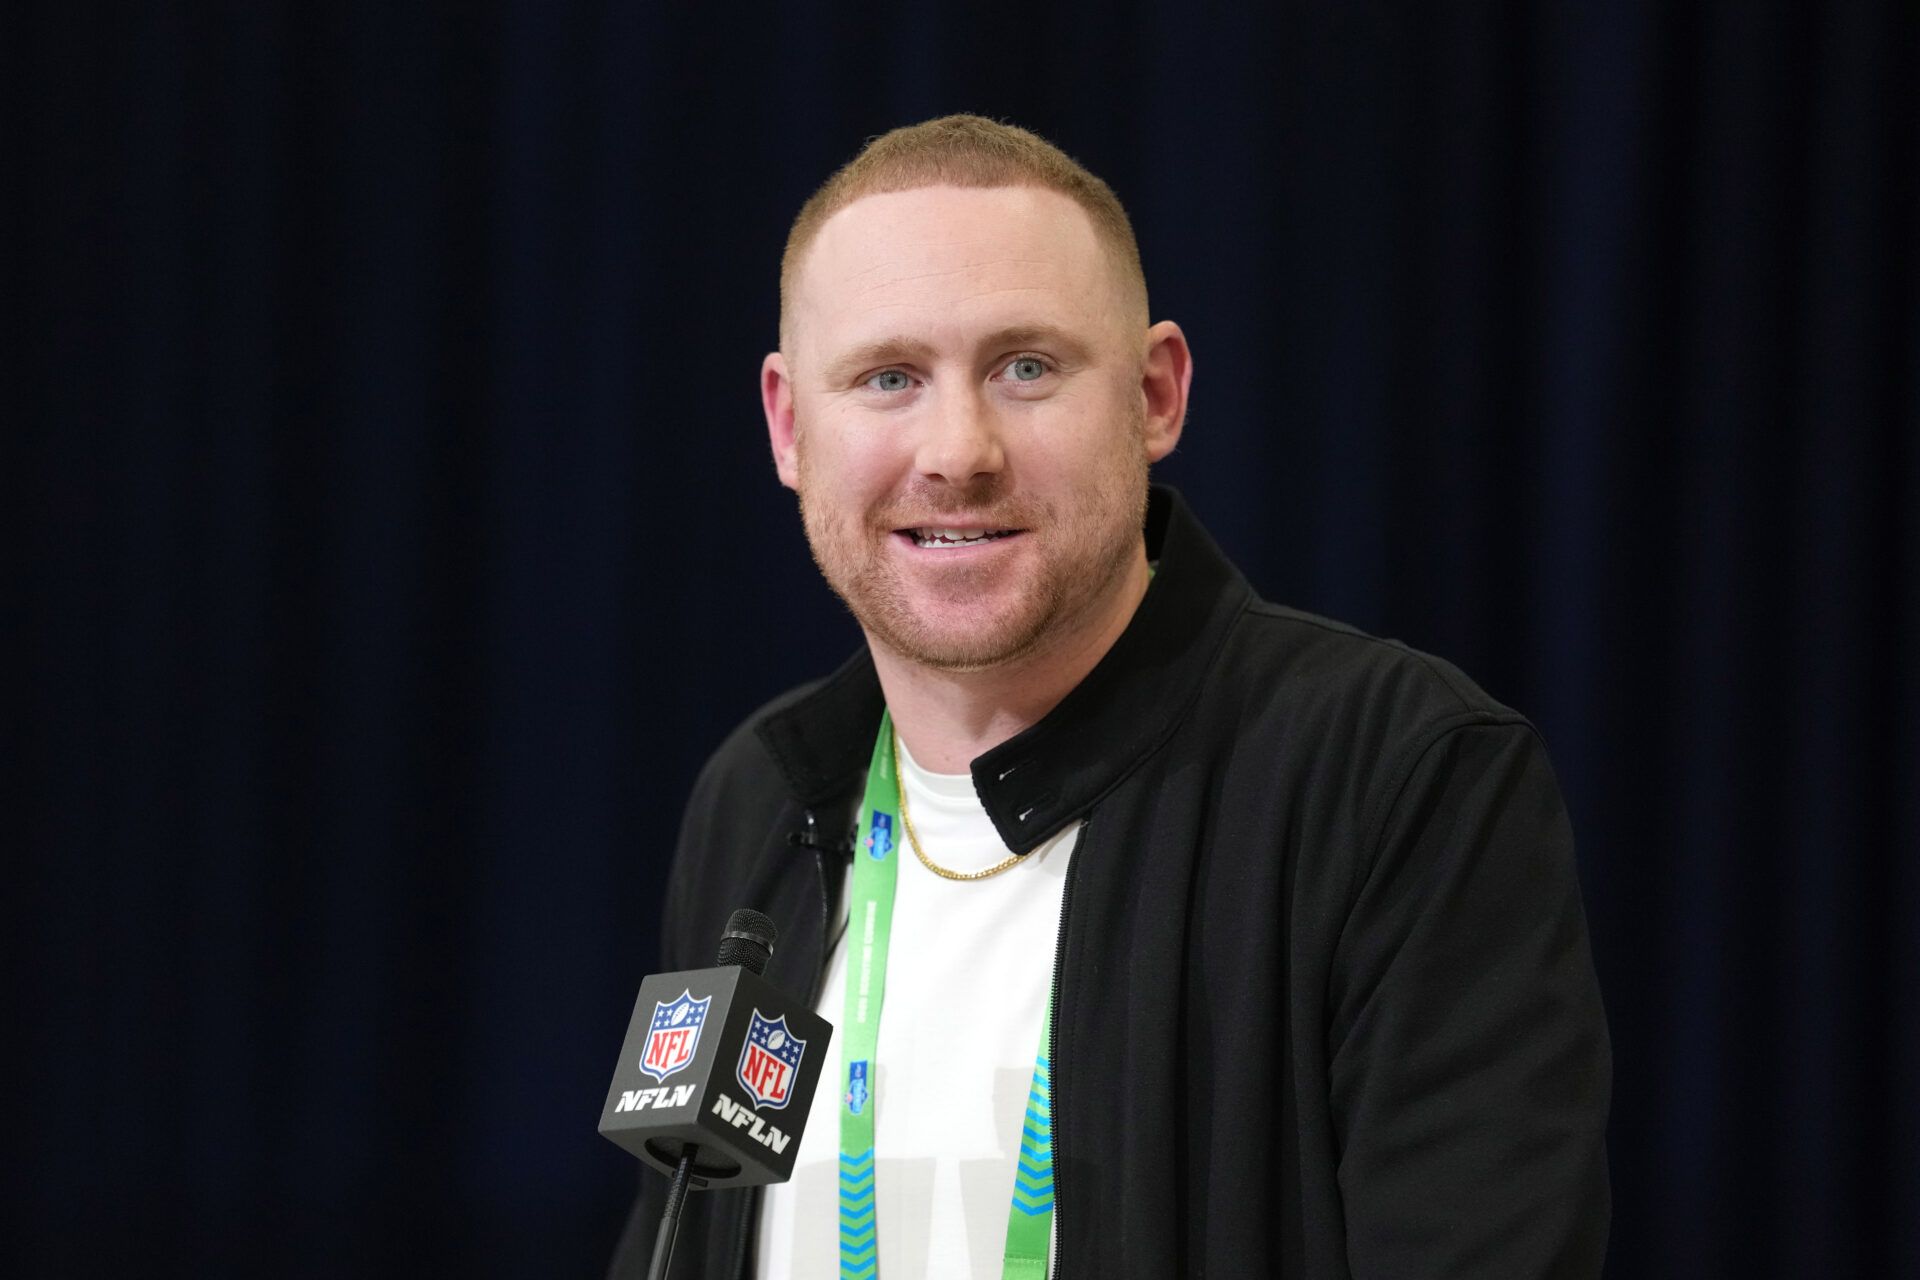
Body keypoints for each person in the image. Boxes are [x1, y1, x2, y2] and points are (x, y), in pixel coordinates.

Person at [610, 115, 1610, 1279]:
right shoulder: (761, 797)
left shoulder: (1398, 779)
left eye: (1025, 367)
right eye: (888, 377)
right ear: (789, 424)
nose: (957, 450)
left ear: (1156, 394)